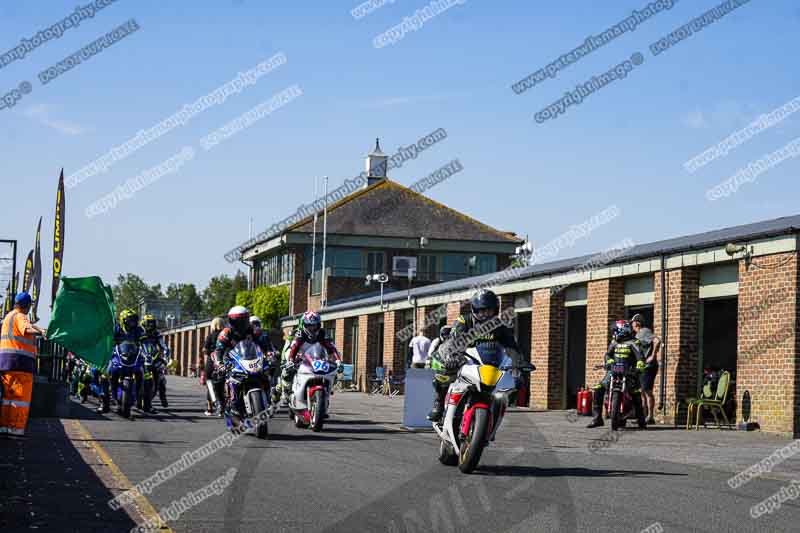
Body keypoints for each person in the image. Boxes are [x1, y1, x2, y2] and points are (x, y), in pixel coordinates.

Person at [427, 289, 529, 422]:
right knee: (444, 372)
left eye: (489, 310)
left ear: (495, 310)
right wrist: (453, 356)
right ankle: (439, 403)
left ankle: (496, 412)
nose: (485, 314)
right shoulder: (464, 321)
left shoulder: (500, 326)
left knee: (518, 380)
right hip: (465, 359)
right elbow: (454, 340)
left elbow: (511, 346)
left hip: (490, 363)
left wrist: (518, 363)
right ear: (474, 310)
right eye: (481, 311)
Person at [586, 320, 647, 429]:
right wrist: (608, 362)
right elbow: (608, 355)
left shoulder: (634, 342)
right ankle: (597, 418)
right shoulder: (614, 342)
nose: (613, 333)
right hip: (613, 371)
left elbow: (640, 356)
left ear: (622, 330)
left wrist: (640, 365)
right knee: (599, 388)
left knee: (635, 393)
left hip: (629, 372)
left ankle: (641, 421)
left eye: (615, 331)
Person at [0, 292, 46, 437]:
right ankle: (16, 428)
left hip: (6, 364)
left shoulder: (8, 317)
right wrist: (40, 331)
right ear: (26, 306)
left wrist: (38, 329)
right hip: (21, 364)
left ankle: (4, 427)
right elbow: (26, 328)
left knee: (8, 398)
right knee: (21, 399)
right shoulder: (20, 316)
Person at [281, 310, 343, 402]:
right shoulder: (300, 334)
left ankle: (327, 390)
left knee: (334, 372)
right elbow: (294, 347)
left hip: (317, 359)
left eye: (314, 325)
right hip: (301, 358)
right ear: (304, 325)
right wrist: (291, 360)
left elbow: (331, 347)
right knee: (288, 371)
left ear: (318, 325)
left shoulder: (322, 333)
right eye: (309, 326)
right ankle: (287, 390)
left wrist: (338, 361)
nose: (312, 328)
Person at [97, 309, 145, 414]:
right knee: (105, 375)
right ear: (123, 320)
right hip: (117, 355)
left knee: (143, 373)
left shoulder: (138, 329)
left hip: (134, 356)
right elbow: (107, 338)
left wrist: (146, 348)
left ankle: (140, 398)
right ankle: (104, 404)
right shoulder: (116, 328)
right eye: (130, 320)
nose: (133, 322)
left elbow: (144, 340)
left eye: (134, 320)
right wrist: (106, 342)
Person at [630, 313, 661, 425]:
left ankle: (650, 416)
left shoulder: (644, 331)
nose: (631, 325)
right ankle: (642, 416)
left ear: (637, 323)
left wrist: (652, 356)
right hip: (642, 367)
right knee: (642, 392)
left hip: (648, 367)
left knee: (647, 391)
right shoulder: (638, 334)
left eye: (632, 322)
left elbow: (657, 340)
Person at [140, 314, 171, 412]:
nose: (151, 325)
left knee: (161, 378)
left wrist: (166, 351)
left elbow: (162, 344)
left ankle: (162, 396)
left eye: (153, 323)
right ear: (144, 323)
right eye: (149, 323)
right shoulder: (139, 332)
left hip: (154, 358)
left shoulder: (156, 333)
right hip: (141, 358)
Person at [203, 317, 226, 416]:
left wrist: (210, 353)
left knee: (210, 385)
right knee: (221, 385)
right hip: (222, 361)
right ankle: (222, 409)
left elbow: (205, 350)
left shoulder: (210, 336)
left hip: (211, 362)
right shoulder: (225, 336)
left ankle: (210, 408)